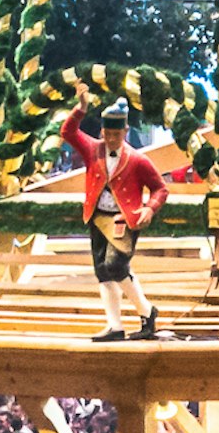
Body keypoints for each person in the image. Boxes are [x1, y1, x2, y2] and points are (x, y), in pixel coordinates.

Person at [66, 105, 169, 343]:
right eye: (108, 134)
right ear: (102, 131)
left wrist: (149, 208)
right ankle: (115, 325)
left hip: (124, 219)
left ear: (126, 131)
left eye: (117, 134)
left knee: (115, 265)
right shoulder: (92, 150)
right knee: (103, 271)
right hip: (97, 216)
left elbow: (160, 188)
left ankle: (146, 310)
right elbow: (68, 132)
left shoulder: (137, 160)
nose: (112, 139)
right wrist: (80, 110)